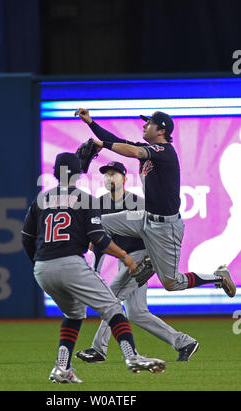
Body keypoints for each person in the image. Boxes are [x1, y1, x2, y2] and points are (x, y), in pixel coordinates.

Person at [21, 152, 166, 384]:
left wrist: (39, 263)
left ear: (54, 173)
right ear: (78, 174)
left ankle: (61, 368)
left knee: (74, 314)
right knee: (113, 308)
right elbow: (99, 238)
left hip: (42, 268)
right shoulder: (86, 199)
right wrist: (125, 258)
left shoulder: (40, 200)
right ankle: (132, 356)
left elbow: (27, 239)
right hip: (70, 264)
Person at [75, 108, 236, 298]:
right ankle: (98, 273)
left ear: (161, 130)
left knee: (172, 283)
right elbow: (119, 142)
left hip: (166, 228)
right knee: (98, 223)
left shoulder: (164, 151)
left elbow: (133, 151)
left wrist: (102, 144)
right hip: (144, 218)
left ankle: (218, 277)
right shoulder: (151, 150)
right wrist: (91, 123)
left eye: (149, 123)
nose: (144, 125)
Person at [76, 161, 198, 364]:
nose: (109, 178)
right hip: (124, 261)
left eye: (114, 174)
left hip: (141, 259)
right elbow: (97, 242)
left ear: (124, 178)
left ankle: (99, 350)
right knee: (137, 312)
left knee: (111, 300)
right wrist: (95, 270)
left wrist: (152, 260)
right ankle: (184, 342)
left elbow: (157, 234)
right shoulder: (97, 205)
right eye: (106, 175)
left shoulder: (138, 203)